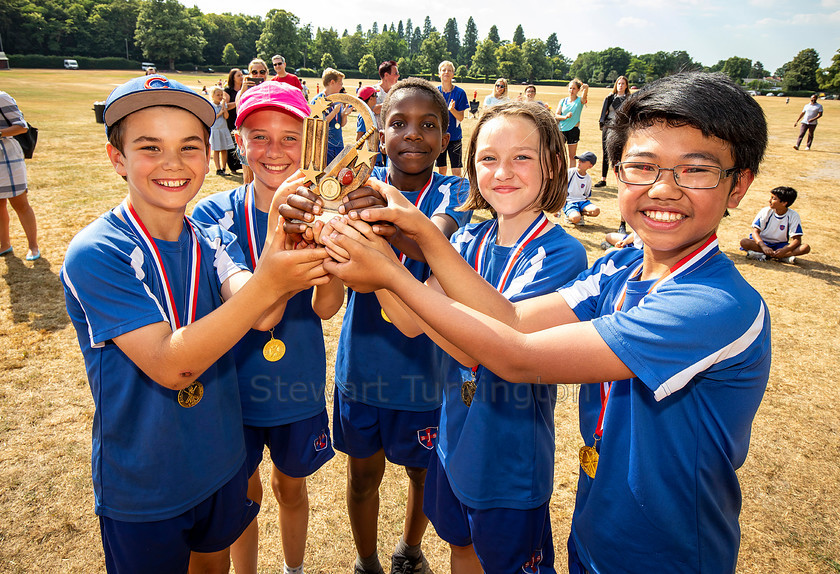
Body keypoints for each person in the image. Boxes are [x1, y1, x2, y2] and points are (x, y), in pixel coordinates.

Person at [322, 71, 771, 574]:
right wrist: (395, 240)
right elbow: (511, 320)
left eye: (694, 170)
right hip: (594, 520)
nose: (663, 189)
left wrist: (392, 264)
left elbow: (516, 356)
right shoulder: (617, 268)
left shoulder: (712, 304)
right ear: (619, 172)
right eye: (642, 167)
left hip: (666, 551)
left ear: (739, 186)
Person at [60, 74, 331, 573]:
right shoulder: (99, 252)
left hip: (220, 459)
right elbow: (172, 366)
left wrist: (290, 240)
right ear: (116, 158)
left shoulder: (207, 236)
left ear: (209, 155)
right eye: (150, 147)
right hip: (148, 481)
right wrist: (272, 278)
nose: (173, 163)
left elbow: (265, 314)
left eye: (189, 147)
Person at [322, 100, 587, 573]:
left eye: (522, 157)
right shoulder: (469, 241)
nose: (503, 171)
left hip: (509, 460)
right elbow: (410, 320)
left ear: (553, 164)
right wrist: (364, 245)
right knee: (460, 549)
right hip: (455, 438)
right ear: (471, 167)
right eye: (488, 158)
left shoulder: (561, 254)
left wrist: (393, 265)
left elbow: (486, 346)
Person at [283, 77, 472, 574]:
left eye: (429, 125)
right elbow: (334, 281)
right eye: (398, 123)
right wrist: (326, 216)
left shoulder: (457, 191)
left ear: (447, 136)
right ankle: (366, 562)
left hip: (428, 373)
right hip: (363, 368)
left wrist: (374, 221)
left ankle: (410, 550)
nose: (413, 135)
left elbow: (432, 243)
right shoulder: (350, 185)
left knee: (423, 473)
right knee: (363, 476)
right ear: (378, 136)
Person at [192, 81, 344, 574]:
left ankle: (294, 569)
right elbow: (262, 313)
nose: (274, 151)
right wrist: (284, 239)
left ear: (311, 142)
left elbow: (326, 308)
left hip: (295, 381)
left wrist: (331, 245)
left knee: (290, 486)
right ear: (238, 142)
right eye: (259, 136)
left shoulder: (324, 209)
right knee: (244, 493)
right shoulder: (212, 214)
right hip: (230, 387)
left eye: (289, 137)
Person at [0, 90, 39, 260]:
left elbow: (21, 126)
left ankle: (33, 247)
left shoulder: (2, 97)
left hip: (7, 158)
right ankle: (4, 244)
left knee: (20, 204)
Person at [740, 185, 810, 263]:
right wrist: (764, 247)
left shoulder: (793, 215)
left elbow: (797, 240)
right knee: (744, 242)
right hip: (762, 243)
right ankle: (782, 257)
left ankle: (769, 255)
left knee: (805, 247)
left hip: (780, 245)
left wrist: (784, 250)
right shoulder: (766, 211)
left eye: (773, 198)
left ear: (784, 203)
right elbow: (755, 232)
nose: (769, 200)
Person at [237, 59, 271, 185]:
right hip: (249, 141)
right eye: (254, 72)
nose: (258, 75)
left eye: (262, 72)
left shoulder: (271, 90)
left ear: (267, 73)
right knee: (249, 182)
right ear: (249, 74)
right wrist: (244, 92)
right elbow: (238, 113)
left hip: (268, 141)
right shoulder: (243, 92)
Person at [311, 67, 352, 164]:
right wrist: (333, 113)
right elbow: (319, 124)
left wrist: (344, 115)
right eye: (340, 83)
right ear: (332, 82)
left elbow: (341, 124)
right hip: (324, 146)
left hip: (338, 144)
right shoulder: (318, 100)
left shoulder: (337, 99)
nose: (341, 87)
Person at [595, 76, 629, 187]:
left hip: (620, 127)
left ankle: (620, 180)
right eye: (619, 83)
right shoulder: (610, 98)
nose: (621, 85)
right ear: (616, 85)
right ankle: (603, 179)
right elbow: (603, 113)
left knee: (619, 153)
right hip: (608, 125)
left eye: (623, 83)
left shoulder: (628, 99)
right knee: (605, 152)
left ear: (626, 85)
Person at [437, 60, 469, 176]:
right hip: (439, 136)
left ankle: (457, 193)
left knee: (456, 169)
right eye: (443, 70)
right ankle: (442, 191)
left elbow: (460, 118)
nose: (446, 72)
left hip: (455, 136)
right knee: (441, 169)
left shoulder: (460, 93)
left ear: (453, 74)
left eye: (449, 70)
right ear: (439, 74)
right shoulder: (435, 92)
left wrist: (452, 110)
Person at [558, 151, 600, 225]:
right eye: (579, 160)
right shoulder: (570, 172)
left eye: (583, 161)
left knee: (596, 211)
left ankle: (579, 213)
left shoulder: (588, 178)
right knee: (575, 219)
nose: (579, 162)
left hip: (582, 202)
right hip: (569, 202)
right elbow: (560, 189)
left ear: (590, 166)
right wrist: (558, 208)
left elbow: (586, 195)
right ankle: (571, 215)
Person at [554, 79, 589, 161]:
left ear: (578, 90)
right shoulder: (563, 101)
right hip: (561, 130)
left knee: (572, 156)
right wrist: (565, 117)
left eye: (574, 88)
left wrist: (586, 88)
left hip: (573, 130)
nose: (571, 90)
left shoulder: (579, 101)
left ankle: (571, 173)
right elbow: (556, 115)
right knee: (557, 154)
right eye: (570, 88)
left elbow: (584, 97)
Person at [356, 86, 383, 167]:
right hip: (369, 158)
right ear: (370, 98)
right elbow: (359, 138)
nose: (376, 98)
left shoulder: (370, 114)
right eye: (375, 96)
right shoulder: (365, 116)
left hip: (375, 156)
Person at [209, 86, 234, 176]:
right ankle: (218, 168)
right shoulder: (210, 105)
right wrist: (220, 112)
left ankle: (224, 167)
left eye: (221, 95)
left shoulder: (223, 105)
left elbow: (226, 116)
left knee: (224, 149)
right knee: (216, 150)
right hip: (215, 129)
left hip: (223, 129)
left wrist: (224, 107)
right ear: (212, 95)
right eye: (218, 95)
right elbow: (213, 117)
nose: (220, 96)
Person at [224, 68, 244, 174]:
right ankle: (232, 165)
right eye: (238, 76)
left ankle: (242, 164)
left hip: (241, 117)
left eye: (241, 75)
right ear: (233, 78)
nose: (241, 77)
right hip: (231, 118)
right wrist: (237, 102)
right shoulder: (228, 90)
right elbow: (225, 106)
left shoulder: (244, 89)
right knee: (232, 141)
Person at [373, 60, 400, 126]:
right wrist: (394, 102)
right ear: (386, 75)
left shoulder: (396, 92)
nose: (398, 76)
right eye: (396, 73)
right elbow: (374, 109)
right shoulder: (373, 91)